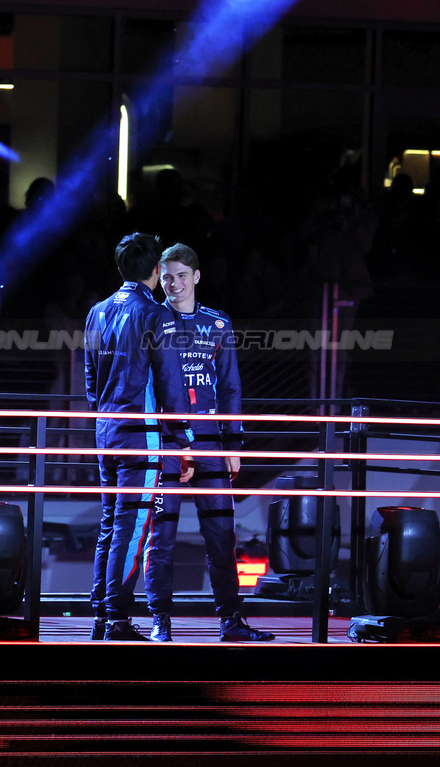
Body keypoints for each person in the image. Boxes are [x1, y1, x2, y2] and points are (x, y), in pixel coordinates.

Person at [144, 243, 275, 642]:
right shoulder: (150, 320)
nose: (174, 283)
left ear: (196, 277)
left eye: (182, 275)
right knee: (161, 536)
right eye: (167, 276)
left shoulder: (218, 324)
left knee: (221, 535)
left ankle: (231, 621)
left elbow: (231, 387)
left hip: (210, 442)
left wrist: (234, 444)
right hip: (166, 443)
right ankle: (159, 620)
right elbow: (147, 385)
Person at [84, 232, 194, 641]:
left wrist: (103, 416)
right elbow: (169, 382)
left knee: (111, 522)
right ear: (154, 271)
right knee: (130, 528)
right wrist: (183, 441)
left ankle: (102, 616)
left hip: (105, 430)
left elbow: (91, 379)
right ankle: (115, 619)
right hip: (140, 434)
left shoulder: (97, 311)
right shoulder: (154, 314)